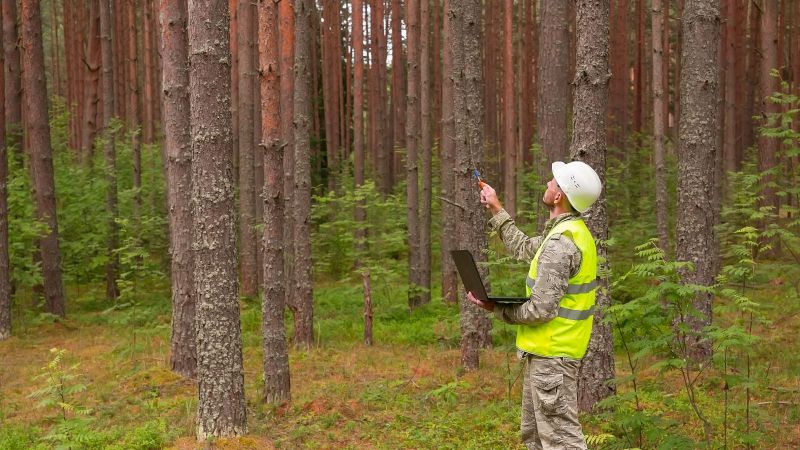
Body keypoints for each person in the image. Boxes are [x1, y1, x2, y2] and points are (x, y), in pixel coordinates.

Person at [467, 161, 602, 450]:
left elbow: (541, 309)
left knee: (561, 442)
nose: (547, 184)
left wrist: (496, 308)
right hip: (546, 355)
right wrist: (495, 207)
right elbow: (526, 248)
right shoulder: (564, 234)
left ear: (558, 196)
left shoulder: (562, 244)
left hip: (553, 358)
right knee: (536, 438)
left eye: (553, 182)